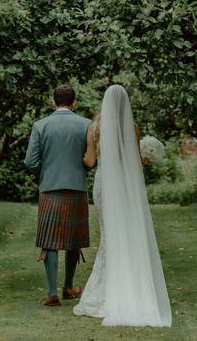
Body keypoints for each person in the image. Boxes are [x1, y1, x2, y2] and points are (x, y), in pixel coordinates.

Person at [73, 84, 172, 327]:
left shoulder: (94, 129)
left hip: (104, 185)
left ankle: (105, 291)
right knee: (127, 233)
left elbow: (89, 161)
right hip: (126, 186)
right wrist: (145, 159)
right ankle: (130, 286)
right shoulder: (133, 129)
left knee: (109, 235)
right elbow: (135, 162)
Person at [24, 83, 92, 306]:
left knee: (50, 240)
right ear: (75, 103)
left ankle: (52, 292)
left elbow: (30, 161)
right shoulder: (86, 125)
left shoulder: (40, 125)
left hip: (50, 188)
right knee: (74, 239)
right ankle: (69, 287)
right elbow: (90, 160)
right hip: (76, 187)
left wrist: (46, 173)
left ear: (53, 102)